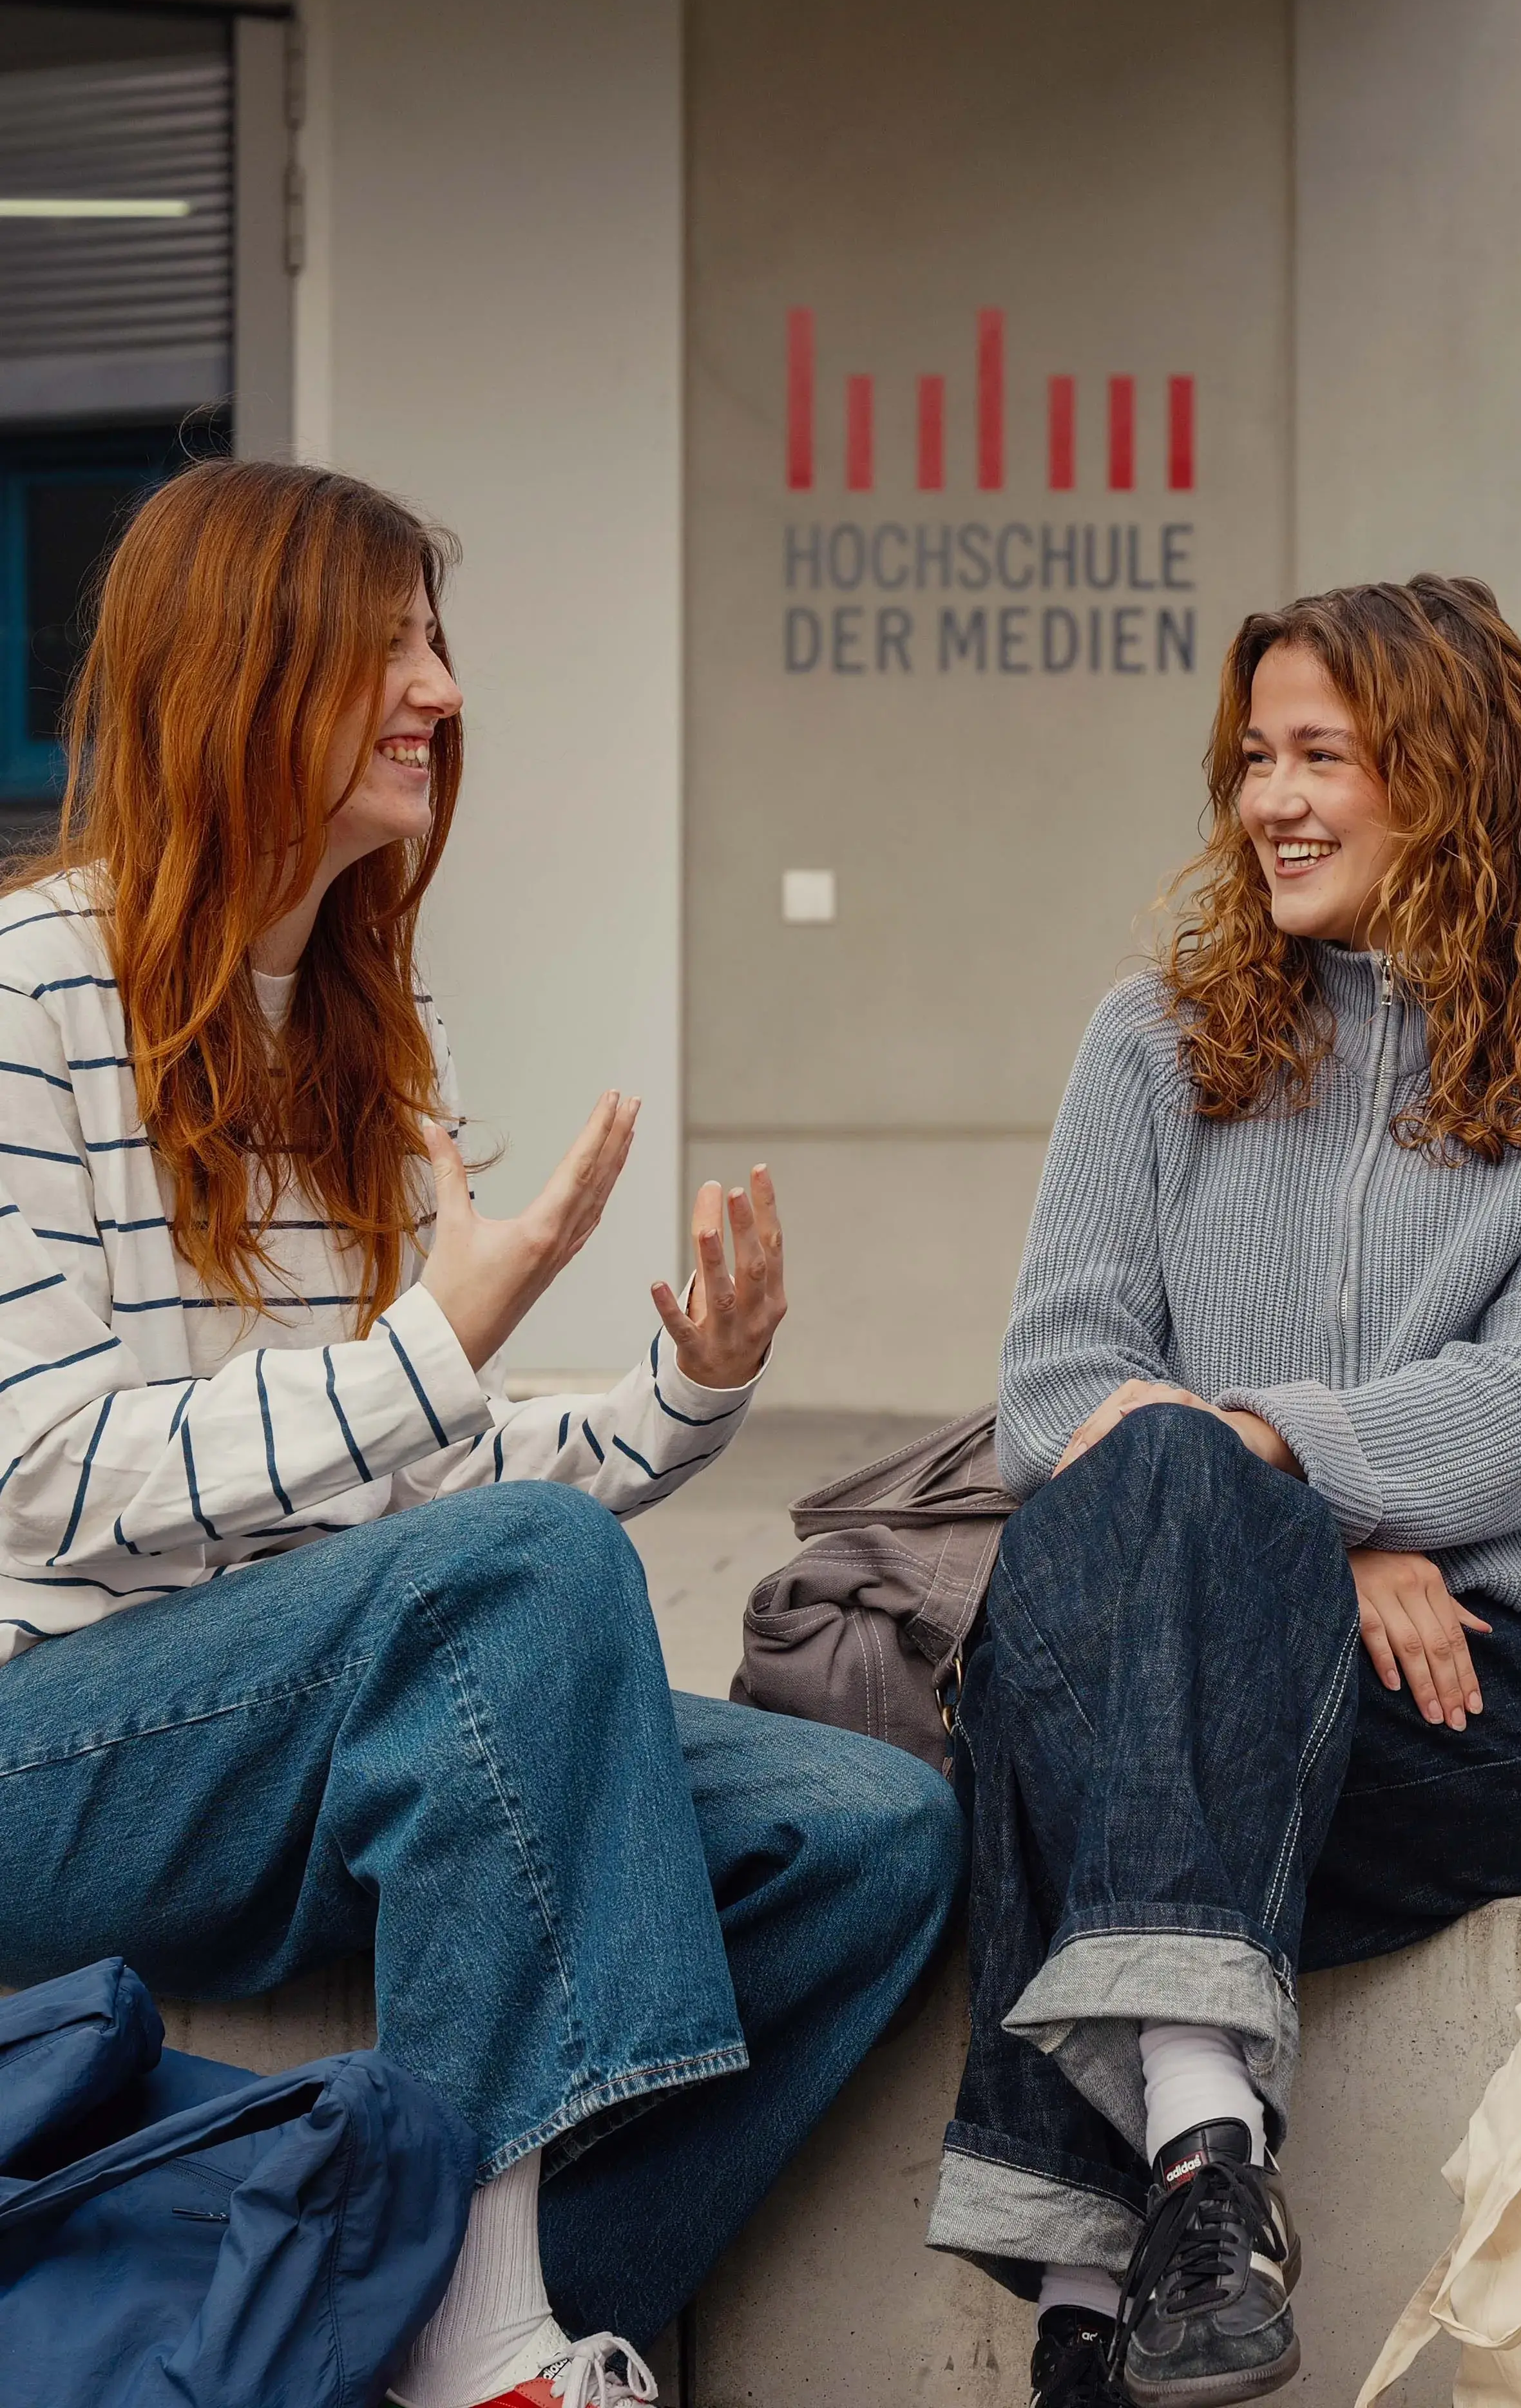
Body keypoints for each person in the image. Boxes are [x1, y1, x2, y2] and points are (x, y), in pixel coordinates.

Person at [0, 461, 961, 2408]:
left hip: (290, 1725)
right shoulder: (28, 988)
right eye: (385, 647)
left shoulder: (346, 1038)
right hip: (57, 1734)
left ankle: (425, 2333)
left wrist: (672, 1397)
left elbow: (404, 1493)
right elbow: (51, 1474)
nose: (438, 689)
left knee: (868, 1830)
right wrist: (442, 1336)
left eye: (436, 644)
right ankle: (476, 2349)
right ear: (241, 671)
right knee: (515, 1577)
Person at [927, 577, 1521, 2408]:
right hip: (1225, 1633)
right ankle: (1205, 2174)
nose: (1270, 798)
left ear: (1449, 777)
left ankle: (1074, 2299)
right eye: (1253, 758)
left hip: (1479, 1690)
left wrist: (1281, 1496)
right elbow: (1052, 1390)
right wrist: (1302, 1537)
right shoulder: (1155, 1040)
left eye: (1321, 756)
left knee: (1086, 1710)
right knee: (1152, 1575)